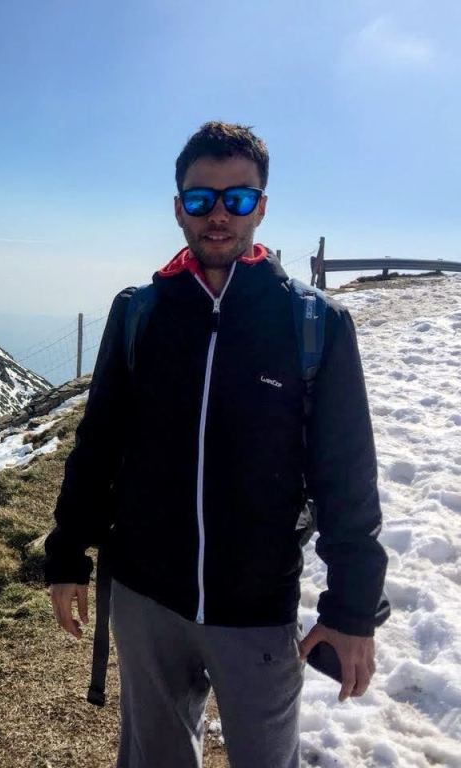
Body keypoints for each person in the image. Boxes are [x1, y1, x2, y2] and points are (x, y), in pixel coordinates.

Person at [44, 121, 389, 768]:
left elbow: (348, 478)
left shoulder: (314, 325)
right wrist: (66, 554)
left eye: (238, 197)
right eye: (201, 199)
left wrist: (353, 610)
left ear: (262, 205)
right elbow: (98, 445)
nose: (219, 215)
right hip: (145, 602)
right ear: (178, 208)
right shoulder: (140, 312)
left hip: (256, 610)